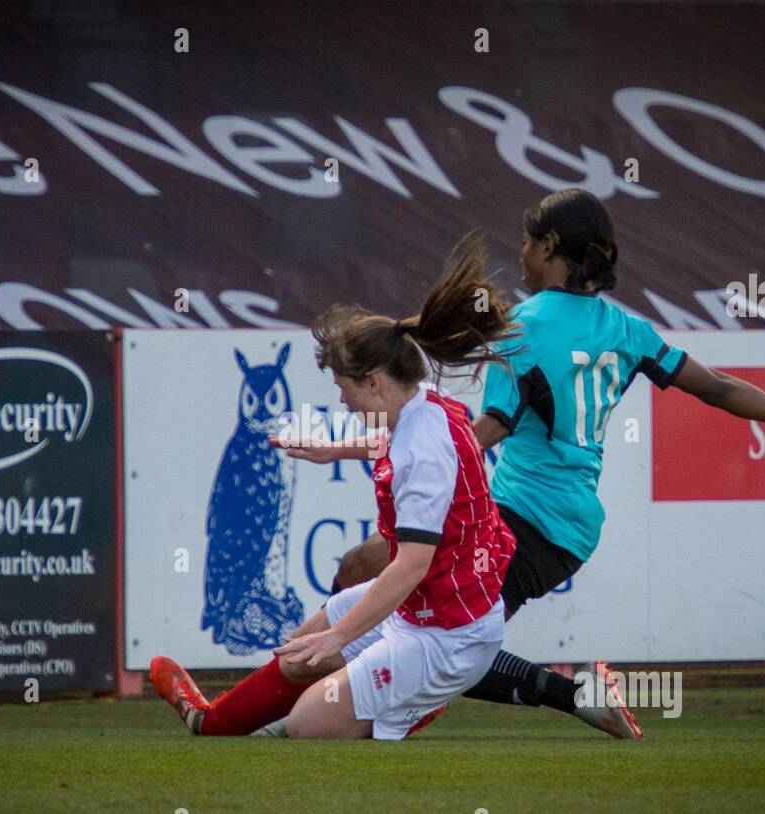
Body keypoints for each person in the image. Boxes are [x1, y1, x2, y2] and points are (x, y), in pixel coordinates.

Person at [316, 188, 765, 738]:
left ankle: (317, 693)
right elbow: (715, 387)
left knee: (431, 628)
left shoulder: (525, 327)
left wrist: (364, 449)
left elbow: (484, 433)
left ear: (547, 248)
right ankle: (344, 693)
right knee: (414, 612)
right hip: (567, 529)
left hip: (521, 517)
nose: (519, 253)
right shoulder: (626, 330)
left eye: (525, 241)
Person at [151, 236, 520, 740]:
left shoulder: (422, 448)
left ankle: (414, 705)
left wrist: (342, 638)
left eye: (343, 387)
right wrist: (334, 449)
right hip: (431, 610)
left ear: (373, 381)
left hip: (447, 637)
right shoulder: (424, 401)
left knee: (308, 724)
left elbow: (411, 564)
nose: (341, 400)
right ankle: (210, 723)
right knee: (301, 647)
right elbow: (393, 440)